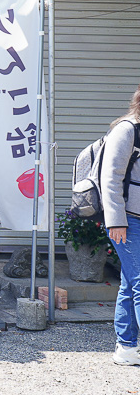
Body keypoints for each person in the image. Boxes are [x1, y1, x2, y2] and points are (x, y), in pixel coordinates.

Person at [101, 85, 140, 366]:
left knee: (130, 282)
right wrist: (116, 220)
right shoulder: (127, 130)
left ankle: (126, 347)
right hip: (128, 221)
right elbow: (110, 178)